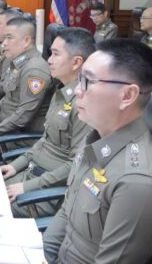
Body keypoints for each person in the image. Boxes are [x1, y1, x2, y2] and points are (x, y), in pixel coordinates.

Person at [43, 39, 152, 263]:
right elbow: (67, 211)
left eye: (88, 81)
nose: (78, 91)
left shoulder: (136, 181)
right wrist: (41, 255)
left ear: (127, 96)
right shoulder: (95, 137)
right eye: (79, 79)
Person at [1, 28, 95, 218]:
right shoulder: (61, 93)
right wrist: (16, 165)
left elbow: (76, 164)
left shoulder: (84, 104)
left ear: (77, 62)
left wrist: (27, 187)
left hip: (45, 194)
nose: (49, 60)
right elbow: (45, 140)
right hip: (29, 174)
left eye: (56, 54)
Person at [0, 17, 54, 137]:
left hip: (18, 136)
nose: (4, 43)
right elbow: (7, 100)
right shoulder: (18, 62)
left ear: (26, 41)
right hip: (4, 127)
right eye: (4, 38)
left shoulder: (34, 70)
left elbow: (22, 117)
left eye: (9, 38)